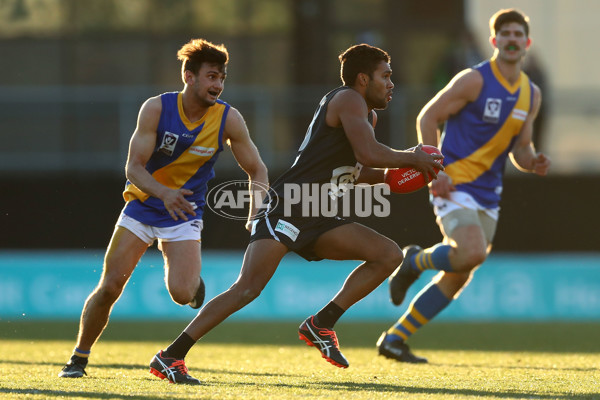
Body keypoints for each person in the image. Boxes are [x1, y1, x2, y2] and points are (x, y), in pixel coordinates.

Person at [148, 43, 444, 385]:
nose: (392, 84)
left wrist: (393, 180)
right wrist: (413, 159)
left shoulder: (365, 113)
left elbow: (356, 168)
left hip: (317, 211)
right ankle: (170, 355)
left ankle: (322, 323)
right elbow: (368, 151)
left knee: (387, 255)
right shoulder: (349, 99)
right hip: (288, 205)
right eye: (386, 76)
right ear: (363, 79)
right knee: (247, 289)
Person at [58, 38, 268, 378]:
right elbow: (134, 168)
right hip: (141, 208)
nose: (218, 85)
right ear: (189, 76)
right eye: (211, 76)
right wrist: (165, 193)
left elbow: (257, 169)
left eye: (222, 78)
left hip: (184, 215)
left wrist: (254, 211)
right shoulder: (156, 109)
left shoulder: (228, 119)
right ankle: (78, 359)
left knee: (182, 294)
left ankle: (194, 284)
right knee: (111, 286)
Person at [379, 8, 551, 363]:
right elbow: (428, 116)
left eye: (519, 34)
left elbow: (520, 149)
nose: (512, 40)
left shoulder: (530, 95)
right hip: (452, 182)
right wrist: (433, 169)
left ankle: (394, 339)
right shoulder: (473, 80)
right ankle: (414, 260)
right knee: (471, 252)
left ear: (527, 43)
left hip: (489, 194)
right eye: (505, 34)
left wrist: (533, 161)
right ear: (494, 41)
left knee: (460, 272)